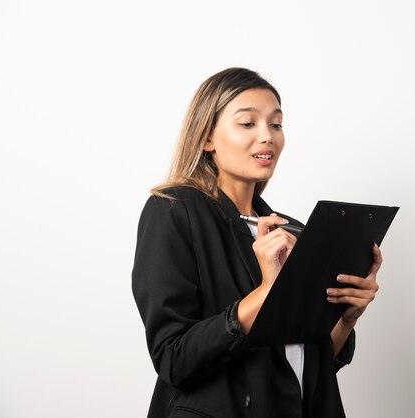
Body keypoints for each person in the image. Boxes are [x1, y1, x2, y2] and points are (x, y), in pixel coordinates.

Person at [131, 67, 382, 418]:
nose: (267, 136)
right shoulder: (174, 210)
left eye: (276, 125)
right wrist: (266, 293)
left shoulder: (293, 231)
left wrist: (347, 317)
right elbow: (174, 358)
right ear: (207, 138)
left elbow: (306, 362)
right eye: (247, 123)